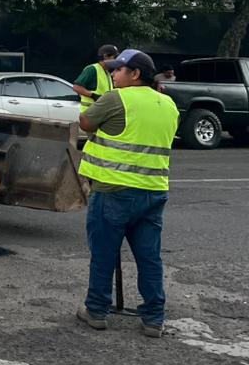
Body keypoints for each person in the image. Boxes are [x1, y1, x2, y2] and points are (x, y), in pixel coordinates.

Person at [75, 48, 178, 337]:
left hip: (113, 190)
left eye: (118, 69)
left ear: (135, 74)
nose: (113, 73)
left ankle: (96, 311)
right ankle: (154, 318)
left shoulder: (116, 98)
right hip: (153, 192)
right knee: (149, 257)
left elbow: (85, 123)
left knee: (104, 254)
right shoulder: (168, 104)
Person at [73, 44, 119, 111]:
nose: (116, 60)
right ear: (105, 56)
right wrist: (93, 96)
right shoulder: (92, 69)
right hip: (90, 113)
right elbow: (76, 87)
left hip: (101, 112)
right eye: (115, 57)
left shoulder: (107, 73)